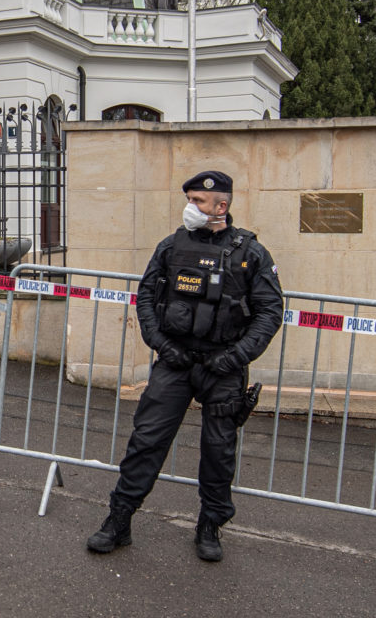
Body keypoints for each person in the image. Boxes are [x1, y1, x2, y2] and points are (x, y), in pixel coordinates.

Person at [86, 171, 283, 562]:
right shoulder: (171, 246)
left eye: (197, 200)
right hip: (174, 361)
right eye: (190, 199)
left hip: (223, 366)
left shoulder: (251, 253)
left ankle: (210, 525)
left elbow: (269, 312)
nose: (190, 207)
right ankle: (119, 519)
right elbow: (145, 297)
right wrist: (160, 344)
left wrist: (236, 356)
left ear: (220, 206)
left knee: (218, 450)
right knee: (146, 441)